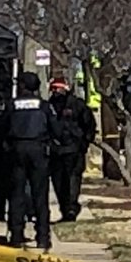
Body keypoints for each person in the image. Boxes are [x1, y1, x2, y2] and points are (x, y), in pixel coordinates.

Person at [4, 72, 60, 251]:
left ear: (22, 86)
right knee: (40, 196)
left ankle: (16, 235)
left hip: (17, 150)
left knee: (16, 194)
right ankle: (42, 237)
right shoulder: (44, 106)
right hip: (38, 150)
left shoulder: (12, 105)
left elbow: (1, 127)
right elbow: (56, 130)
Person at [47, 77, 97, 222]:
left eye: (59, 88)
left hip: (74, 150)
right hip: (56, 151)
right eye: (54, 89)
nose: (56, 91)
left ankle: (71, 208)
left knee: (73, 180)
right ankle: (65, 209)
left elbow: (89, 125)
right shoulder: (49, 107)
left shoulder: (77, 105)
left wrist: (84, 143)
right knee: (58, 181)